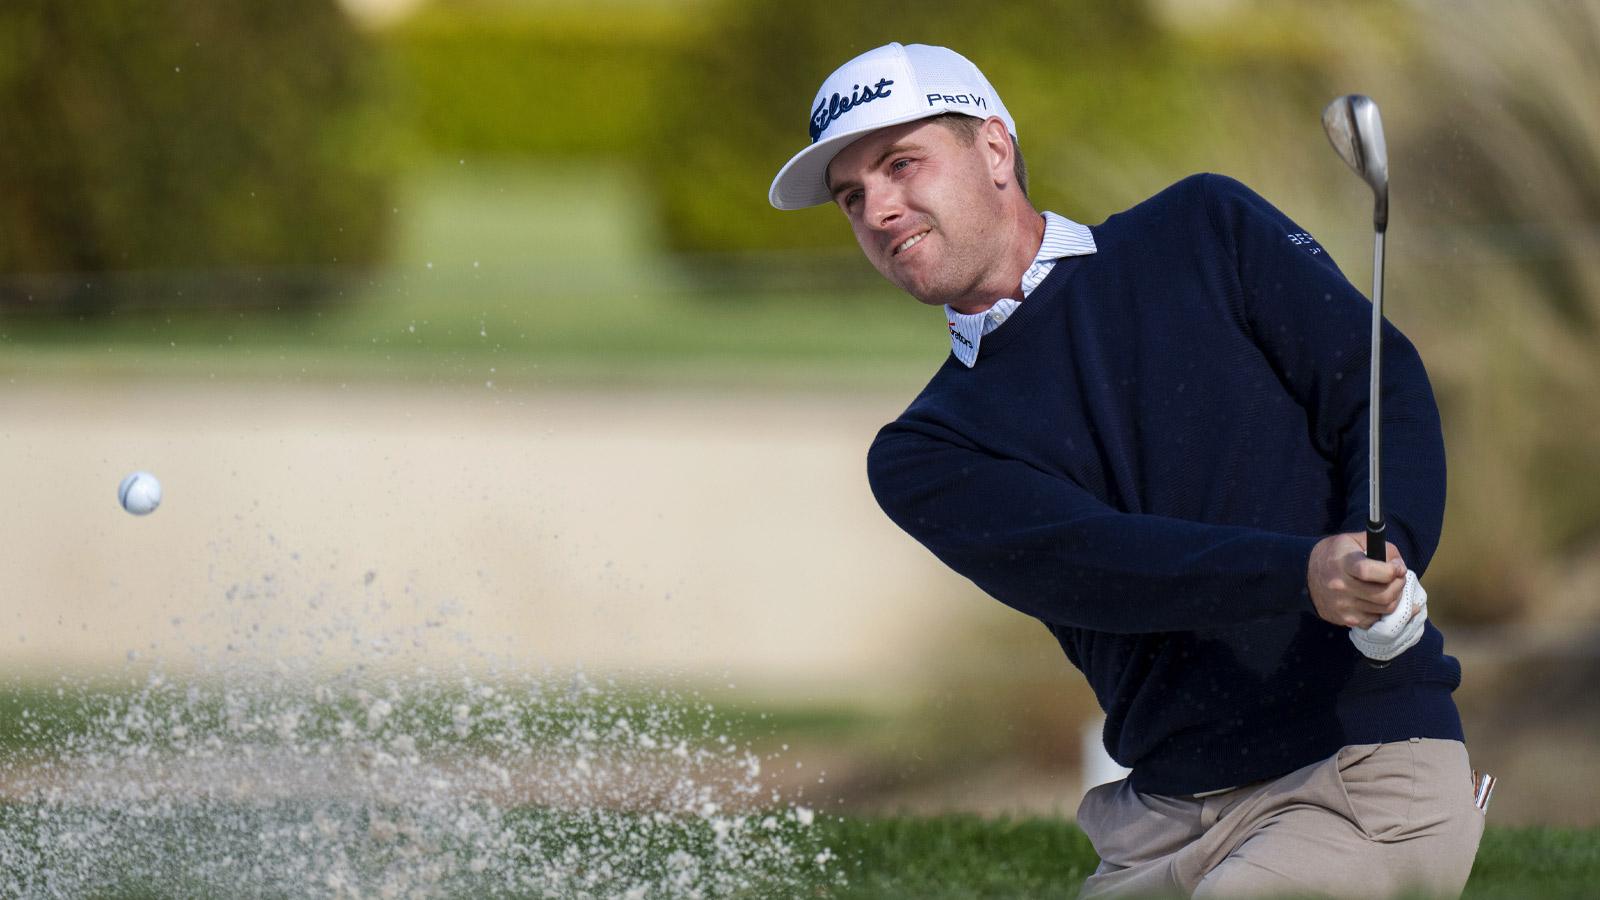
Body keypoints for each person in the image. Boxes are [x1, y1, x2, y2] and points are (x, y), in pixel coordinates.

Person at [768, 42, 1487, 898]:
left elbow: (1377, 386)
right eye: (853, 197)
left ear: (994, 150)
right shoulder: (925, 451)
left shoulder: (1203, 228)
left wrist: (1390, 553)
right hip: (1158, 827)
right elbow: (1105, 564)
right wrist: (1302, 574)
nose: (879, 208)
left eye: (901, 165)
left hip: (1359, 774)